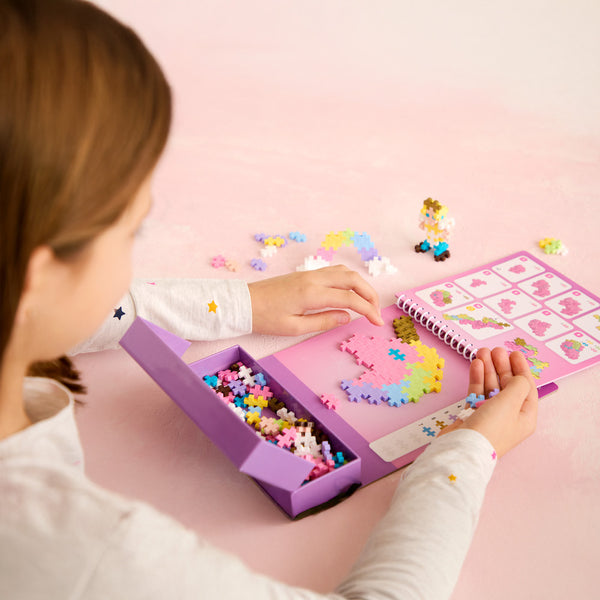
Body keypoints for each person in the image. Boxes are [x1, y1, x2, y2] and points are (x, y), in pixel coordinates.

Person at [0, 1, 538, 598]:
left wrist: (242, 304)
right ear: (39, 276)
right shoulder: (93, 553)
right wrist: (466, 454)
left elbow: (83, 303)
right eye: (131, 231)